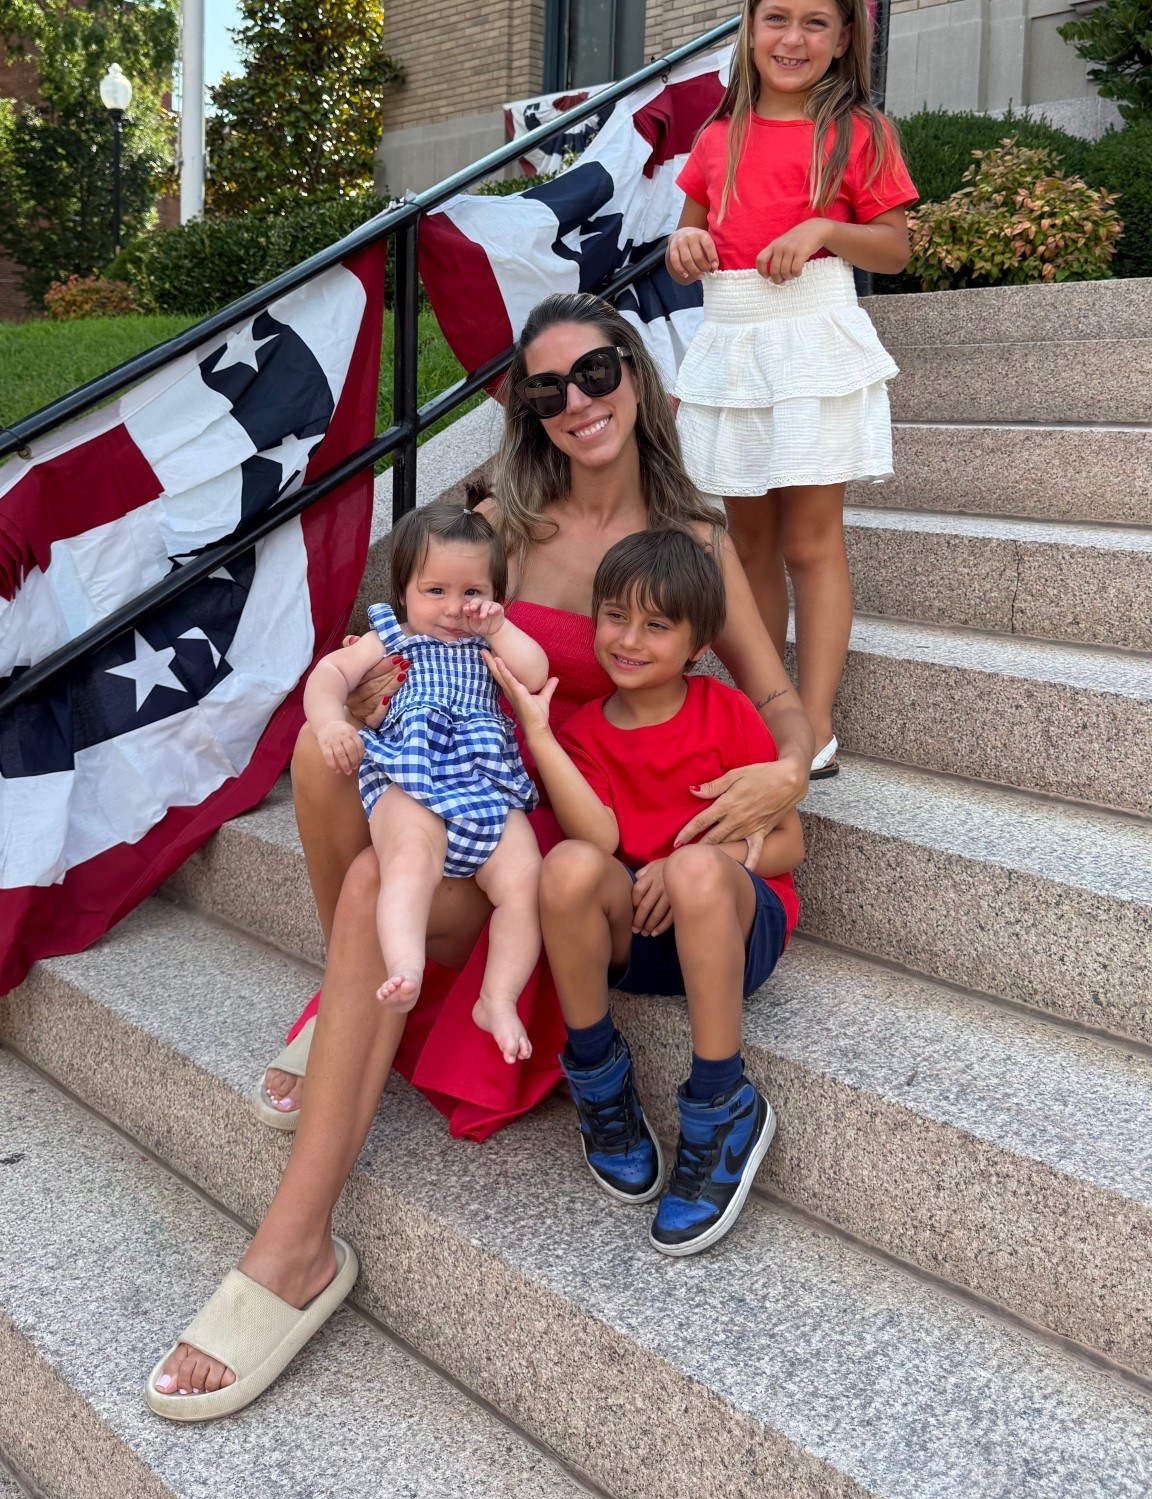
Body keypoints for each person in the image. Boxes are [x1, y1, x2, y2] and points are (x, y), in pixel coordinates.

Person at [146, 292, 813, 1419]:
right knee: (322, 763)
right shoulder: (501, 518)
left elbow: (776, 698)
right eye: (545, 388)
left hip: (574, 846)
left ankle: (295, 1234)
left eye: (596, 371)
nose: (576, 402)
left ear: (635, 375)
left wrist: (788, 771)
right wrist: (368, 691)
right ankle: (324, 1091)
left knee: (381, 877)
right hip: (490, 798)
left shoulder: (691, 541)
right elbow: (424, 619)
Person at [490, 527, 803, 1257]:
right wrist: (539, 733)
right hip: (644, 934)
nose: (629, 640)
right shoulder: (588, 735)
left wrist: (694, 859)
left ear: (697, 646)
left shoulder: (725, 713)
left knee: (693, 868)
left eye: (657, 625)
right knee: (564, 864)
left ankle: (723, 1104)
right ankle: (600, 1082)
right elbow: (596, 843)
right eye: (616, 616)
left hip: (734, 925)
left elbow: (789, 843)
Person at [667, 0, 917, 779]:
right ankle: (764, 707)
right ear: (748, 28)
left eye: (817, 23)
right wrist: (689, 243)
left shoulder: (858, 132)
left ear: (846, 38)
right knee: (749, 541)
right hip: (735, 341)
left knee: (811, 542)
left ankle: (813, 724)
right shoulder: (716, 137)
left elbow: (893, 249)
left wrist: (821, 230)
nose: (794, 38)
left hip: (812, 339)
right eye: (777, 18)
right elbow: (690, 234)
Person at [303, 503, 548, 1065]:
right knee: (409, 861)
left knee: (524, 878)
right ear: (405, 589)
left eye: (472, 592)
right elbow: (327, 676)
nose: (454, 608)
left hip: (486, 789)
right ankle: (405, 964)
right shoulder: (389, 635)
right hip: (410, 778)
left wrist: (502, 627)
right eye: (434, 590)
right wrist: (331, 722)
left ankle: (498, 996)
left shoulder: (490, 644)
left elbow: (534, 676)